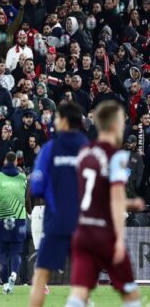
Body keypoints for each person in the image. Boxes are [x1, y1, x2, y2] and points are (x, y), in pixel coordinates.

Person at [66, 101, 144, 307]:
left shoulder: (84, 152)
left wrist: (129, 203)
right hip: (103, 233)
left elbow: (89, 194)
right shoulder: (116, 156)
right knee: (130, 295)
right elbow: (116, 198)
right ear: (115, 125)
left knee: (79, 295)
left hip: (82, 232)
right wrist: (118, 238)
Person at [28, 102, 88, 307]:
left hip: (56, 221)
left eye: (57, 118)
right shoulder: (89, 149)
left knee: (41, 276)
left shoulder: (50, 149)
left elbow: (36, 187)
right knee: (81, 277)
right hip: (82, 222)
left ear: (64, 121)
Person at [0, 152, 28, 294]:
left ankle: (5, 284)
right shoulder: (23, 178)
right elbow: (26, 197)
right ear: (16, 162)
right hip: (19, 219)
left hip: (3, 218)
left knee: (3, 253)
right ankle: (14, 274)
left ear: (5, 161)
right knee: (17, 252)